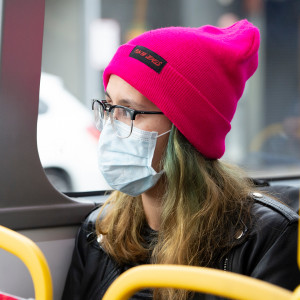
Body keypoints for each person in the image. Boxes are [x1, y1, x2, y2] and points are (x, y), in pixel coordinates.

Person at [62, 20, 300, 300]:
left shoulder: (267, 238)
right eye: (108, 106)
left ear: (185, 133)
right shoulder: (100, 229)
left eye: (129, 111)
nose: (110, 127)